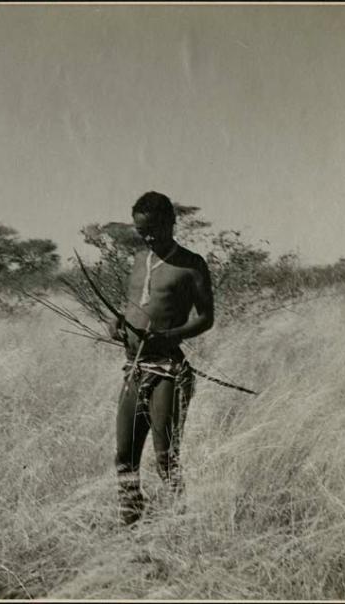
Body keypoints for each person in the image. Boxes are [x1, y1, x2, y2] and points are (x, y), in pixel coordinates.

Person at [108, 191, 215, 525]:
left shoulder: (191, 264)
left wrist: (169, 336)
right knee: (125, 455)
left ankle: (179, 523)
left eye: (154, 229)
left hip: (168, 369)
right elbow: (134, 305)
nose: (149, 237)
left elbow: (206, 317)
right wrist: (118, 323)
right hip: (134, 367)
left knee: (165, 457)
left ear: (172, 222)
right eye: (142, 231)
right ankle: (130, 522)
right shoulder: (140, 260)